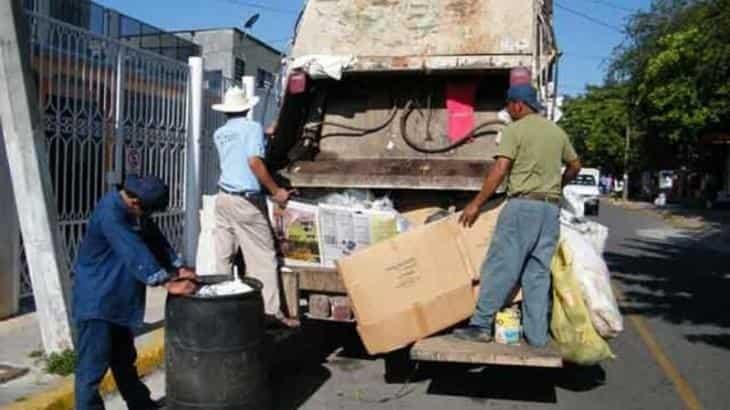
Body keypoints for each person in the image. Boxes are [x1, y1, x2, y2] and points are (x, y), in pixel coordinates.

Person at [454, 84, 582, 347]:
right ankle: (537, 337)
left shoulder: (515, 130)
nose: (508, 110)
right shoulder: (557, 132)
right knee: (537, 274)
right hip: (550, 210)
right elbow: (575, 165)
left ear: (519, 105)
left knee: (501, 267)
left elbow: (501, 168)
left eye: (509, 105)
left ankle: (480, 326)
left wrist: (476, 204)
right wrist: (558, 186)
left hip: (523, 207)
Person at [73, 175, 198, 410]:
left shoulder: (134, 211)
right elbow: (133, 250)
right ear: (135, 202)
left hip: (118, 297)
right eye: (147, 212)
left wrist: (178, 266)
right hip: (98, 300)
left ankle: (141, 405)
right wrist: (167, 283)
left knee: (123, 361)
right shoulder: (111, 214)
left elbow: (154, 239)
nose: (148, 218)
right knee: (91, 370)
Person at [211, 87, 296, 327]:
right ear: (248, 108)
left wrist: (267, 134)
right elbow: (254, 162)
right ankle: (270, 314)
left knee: (224, 255)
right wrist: (276, 191)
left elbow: (239, 150)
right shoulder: (252, 128)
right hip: (246, 201)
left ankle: (222, 307)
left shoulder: (220, 133)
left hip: (223, 199)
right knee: (262, 257)